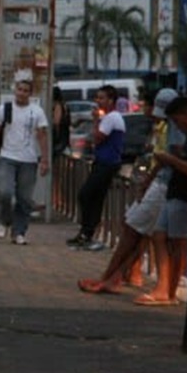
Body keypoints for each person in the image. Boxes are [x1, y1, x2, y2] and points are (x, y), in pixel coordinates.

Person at [77, 88, 182, 294]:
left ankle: (113, 277)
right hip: (159, 183)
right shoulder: (164, 126)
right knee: (141, 232)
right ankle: (117, 276)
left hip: (162, 184)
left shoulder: (173, 128)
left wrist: (149, 180)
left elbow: (166, 159)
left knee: (134, 229)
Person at [134, 95, 187, 306]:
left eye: (177, 122)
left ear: (186, 115)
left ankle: (169, 291)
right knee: (159, 235)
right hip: (174, 190)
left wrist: (172, 159)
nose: (177, 127)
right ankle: (163, 286)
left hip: (186, 195)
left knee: (178, 242)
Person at [0, 71, 50, 245]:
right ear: (15, 90)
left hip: (29, 160)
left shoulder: (37, 111)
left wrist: (45, 160)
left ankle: (19, 232)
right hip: (7, 156)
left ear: (30, 93)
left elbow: (42, 135)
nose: (21, 93)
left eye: (25, 91)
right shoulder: (4, 109)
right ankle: (5, 220)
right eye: (19, 90)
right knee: (4, 191)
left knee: (24, 198)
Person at [66, 84, 126, 250]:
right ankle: (86, 232)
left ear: (111, 100)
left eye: (101, 98)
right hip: (103, 161)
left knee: (86, 195)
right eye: (97, 98)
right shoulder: (109, 117)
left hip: (107, 163)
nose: (98, 101)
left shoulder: (111, 118)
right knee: (94, 197)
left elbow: (97, 137)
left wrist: (95, 120)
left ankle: (87, 231)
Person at [52, 85, 71, 160]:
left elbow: (56, 121)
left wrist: (56, 133)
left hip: (59, 137)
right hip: (65, 135)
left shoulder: (58, 105)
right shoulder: (65, 105)